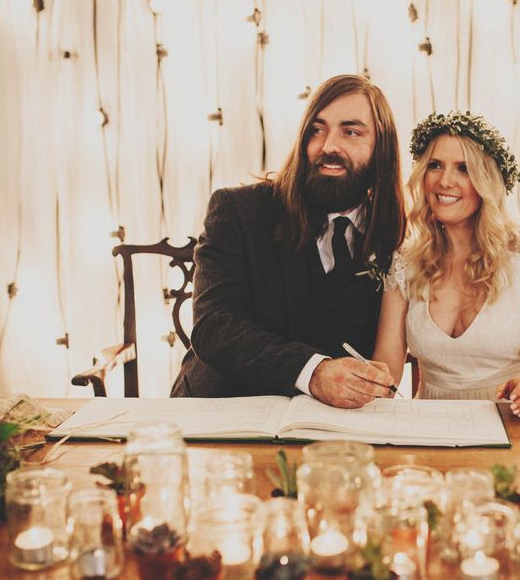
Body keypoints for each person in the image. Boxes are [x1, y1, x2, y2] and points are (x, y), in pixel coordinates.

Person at [171, 74, 405, 408]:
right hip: (220, 411)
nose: (329, 147)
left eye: (351, 132)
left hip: (329, 428)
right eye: (317, 130)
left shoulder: (389, 237)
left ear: (381, 147)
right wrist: (313, 372)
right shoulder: (238, 211)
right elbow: (214, 327)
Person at [373, 110, 520, 417]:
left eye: (463, 169)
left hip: (513, 421)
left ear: (486, 180)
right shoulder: (405, 261)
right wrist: (357, 381)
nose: (445, 180)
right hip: (431, 427)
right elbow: (387, 365)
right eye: (435, 165)